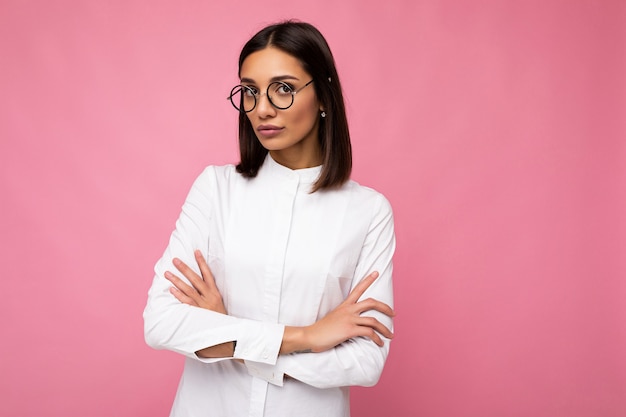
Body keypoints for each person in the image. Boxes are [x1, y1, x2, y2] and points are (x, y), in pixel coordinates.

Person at [143, 20, 396, 417]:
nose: (261, 109)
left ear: (324, 95)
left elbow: (365, 362)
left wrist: (227, 336)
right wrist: (308, 337)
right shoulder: (216, 189)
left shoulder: (368, 211)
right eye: (249, 91)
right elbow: (161, 323)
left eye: (283, 89)